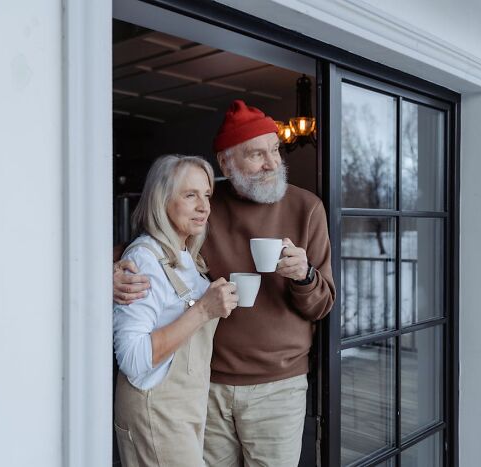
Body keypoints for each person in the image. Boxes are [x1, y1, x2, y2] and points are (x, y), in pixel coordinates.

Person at [114, 100, 335, 467]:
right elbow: (150, 245)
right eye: (256, 154)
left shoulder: (307, 208)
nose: (272, 163)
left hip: (277, 386)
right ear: (226, 164)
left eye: (275, 150)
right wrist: (108, 271)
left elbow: (323, 304)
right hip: (206, 386)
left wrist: (305, 275)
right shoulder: (205, 208)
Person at [113, 154, 238, 467]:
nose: (204, 206)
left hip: (184, 410)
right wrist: (202, 311)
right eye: (190, 195)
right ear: (161, 199)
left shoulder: (186, 259)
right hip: (156, 411)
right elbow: (133, 359)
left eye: (207, 195)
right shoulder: (144, 261)